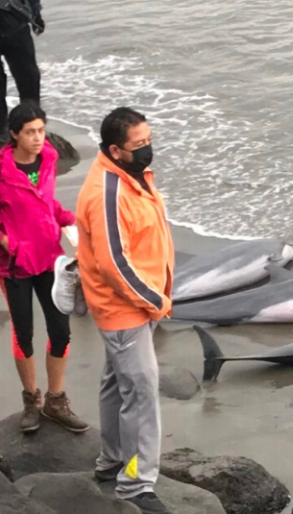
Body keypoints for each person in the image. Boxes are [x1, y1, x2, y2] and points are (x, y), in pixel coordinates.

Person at [74, 107, 174, 514]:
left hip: (133, 305)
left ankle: (111, 460)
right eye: (139, 145)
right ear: (115, 150)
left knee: (118, 383)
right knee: (142, 394)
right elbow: (114, 264)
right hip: (126, 308)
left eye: (149, 140)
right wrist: (155, 300)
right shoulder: (107, 193)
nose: (148, 149)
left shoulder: (132, 175)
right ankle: (134, 482)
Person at [0, 101, 88, 434]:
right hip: (15, 267)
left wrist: (67, 219)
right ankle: (30, 400)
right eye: (29, 132)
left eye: (41, 130)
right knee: (23, 335)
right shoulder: (2, 171)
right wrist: (8, 242)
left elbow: (44, 200)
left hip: (51, 259)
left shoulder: (49, 159)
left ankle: (55, 399)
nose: (38, 138)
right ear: (14, 135)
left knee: (61, 332)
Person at [0, 0, 44, 140]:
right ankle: (2, 130)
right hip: (15, 23)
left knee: (29, 78)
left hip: (16, 26)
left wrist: (36, 15)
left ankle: (32, 121)